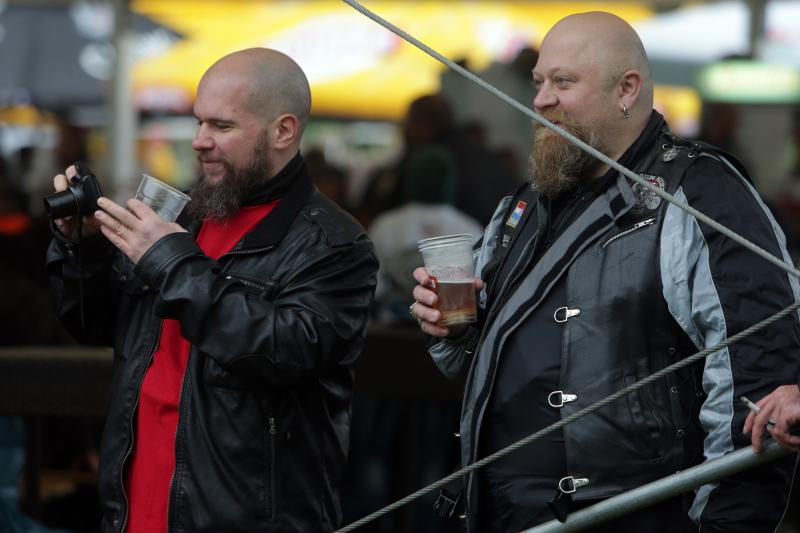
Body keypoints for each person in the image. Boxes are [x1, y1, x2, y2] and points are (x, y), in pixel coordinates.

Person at [410, 12, 800, 532]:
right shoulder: (523, 207)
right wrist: (448, 329)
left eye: (563, 82)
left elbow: (759, 388)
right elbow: (475, 360)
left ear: (626, 91)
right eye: (539, 83)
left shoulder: (702, 191)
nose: (542, 99)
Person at [46, 48, 378, 532]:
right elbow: (95, 324)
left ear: (283, 131)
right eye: (199, 122)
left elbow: (284, 351)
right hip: (132, 510)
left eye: (222, 127)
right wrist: (82, 250)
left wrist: (169, 262)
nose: (199, 141)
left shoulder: (334, 243)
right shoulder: (183, 215)